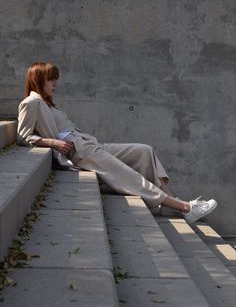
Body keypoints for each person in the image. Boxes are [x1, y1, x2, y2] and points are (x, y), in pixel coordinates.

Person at [17, 62, 217, 224]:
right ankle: (185, 207)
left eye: (55, 79)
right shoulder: (31, 102)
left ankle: (173, 203)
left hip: (90, 144)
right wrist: (53, 142)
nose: (55, 84)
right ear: (38, 80)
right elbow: (23, 136)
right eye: (51, 80)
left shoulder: (48, 103)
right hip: (79, 152)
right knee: (125, 173)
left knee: (144, 151)